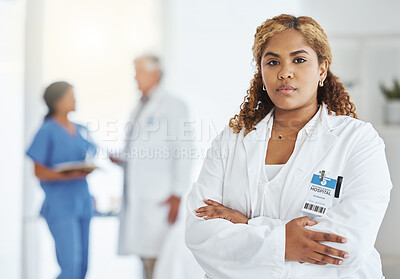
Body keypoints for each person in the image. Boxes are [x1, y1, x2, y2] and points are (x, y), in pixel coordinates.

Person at [185, 14, 392, 279]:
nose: (285, 72)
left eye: (299, 59)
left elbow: (346, 246)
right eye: (273, 62)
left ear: (322, 69)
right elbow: (200, 232)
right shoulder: (232, 139)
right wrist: (286, 242)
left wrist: (248, 225)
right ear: (261, 72)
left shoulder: (359, 140)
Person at [111, 55, 192, 279]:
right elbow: (142, 150)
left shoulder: (173, 105)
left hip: (160, 197)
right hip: (140, 194)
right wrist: (125, 159)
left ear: (155, 74)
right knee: (145, 259)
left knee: (161, 262)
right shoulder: (139, 106)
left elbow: (184, 151)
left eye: (139, 72)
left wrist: (177, 193)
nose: (134, 77)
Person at [26, 81, 96, 279]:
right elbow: (38, 171)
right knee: (70, 266)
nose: (75, 100)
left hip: (82, 202)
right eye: (70, 96)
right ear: (57, 101)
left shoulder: (81, 128)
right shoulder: (47, 130)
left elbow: (92, 153)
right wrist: (68, 174)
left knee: (82, 266)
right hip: (60, 205)